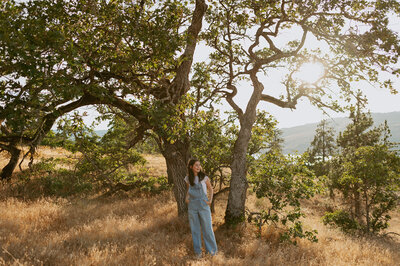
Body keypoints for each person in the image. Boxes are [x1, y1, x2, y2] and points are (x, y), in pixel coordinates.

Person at [185, 159, 218, 258]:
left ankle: (212, 253)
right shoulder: (187, 178)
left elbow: (211, 189)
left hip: (203, 205)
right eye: (196, 165)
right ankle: (198, 253)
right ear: (191, 167)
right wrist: (186, 198)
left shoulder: (204, 177)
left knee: (207, 229)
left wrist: (210, 201)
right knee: (195, 230)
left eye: (199, 165)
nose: (198, 167)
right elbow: (188, 190)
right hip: (192, 206)